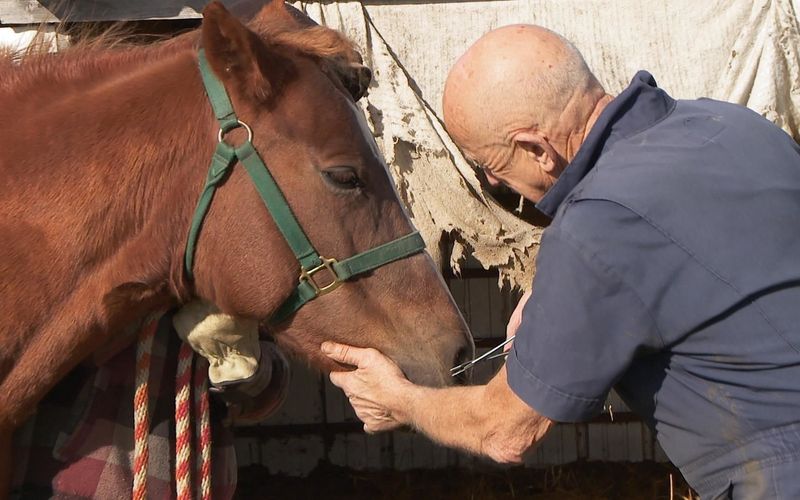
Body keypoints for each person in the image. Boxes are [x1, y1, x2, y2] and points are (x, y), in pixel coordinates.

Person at [321, 24, 800, 499]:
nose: (492, 184)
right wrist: (562, 292)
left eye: (488, 165)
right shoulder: (732, 124)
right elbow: (698, 255)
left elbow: (507, 430)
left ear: (536, 149)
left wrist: (400, 401)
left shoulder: (596, 224)